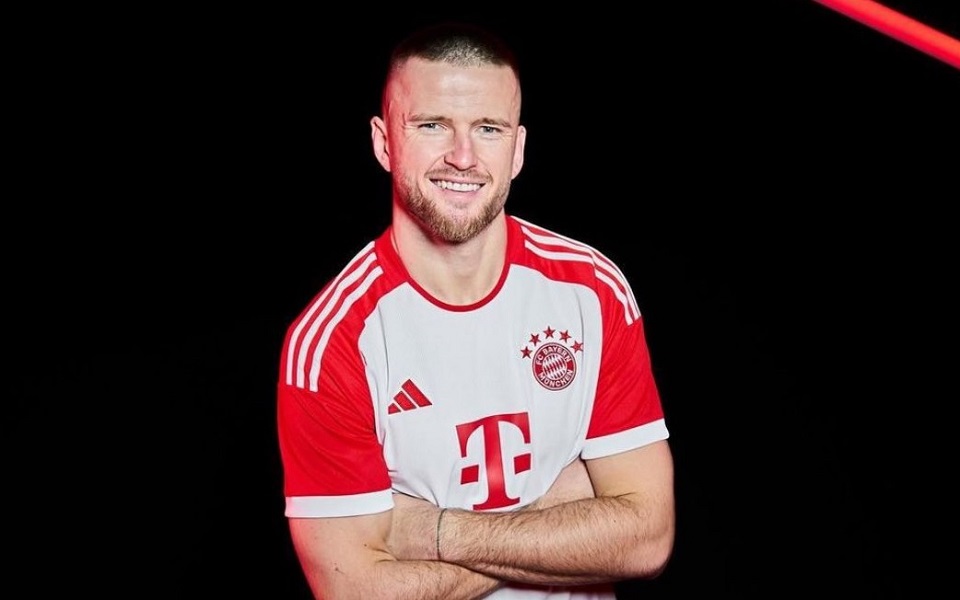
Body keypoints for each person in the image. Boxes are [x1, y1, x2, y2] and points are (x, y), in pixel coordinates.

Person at [276, 21, 675, 600]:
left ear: (518, 150)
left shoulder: (591, 288)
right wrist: (559, 515)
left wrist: (433, 530)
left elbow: (647, 539)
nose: (462, 157)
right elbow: (355, 591)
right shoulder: (331, 340)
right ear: (384, 142)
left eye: (489, 128)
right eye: (432, 125)